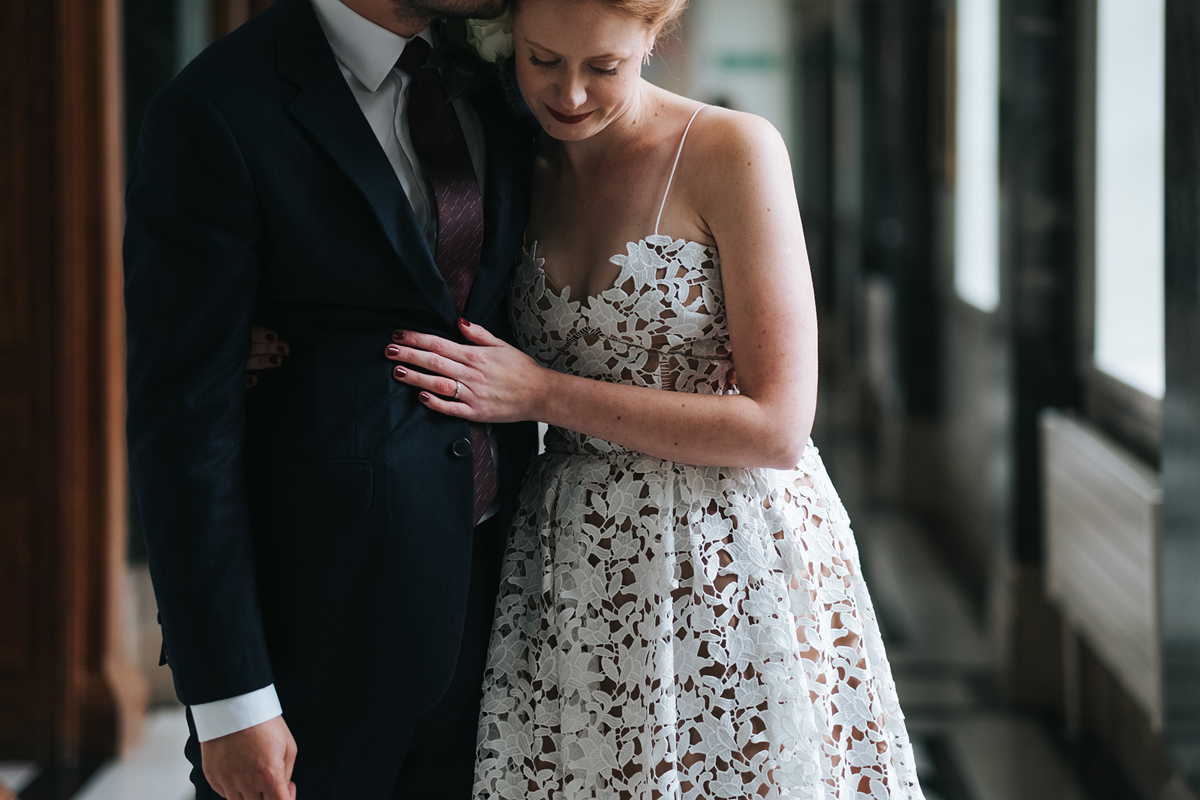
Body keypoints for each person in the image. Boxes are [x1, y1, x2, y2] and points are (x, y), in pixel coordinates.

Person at [381, 0, 927, 796]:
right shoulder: (506, 157)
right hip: (570, 559)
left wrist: (541, 393)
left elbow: (777, 426)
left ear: (654, 37)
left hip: (727, 553)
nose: (568, 95)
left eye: (602, 67)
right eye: (542, 62)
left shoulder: (733, 151)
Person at [122, 0, 539, 797]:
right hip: (321, 637)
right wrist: (229, 696)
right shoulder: (215, 110)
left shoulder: (510, 75)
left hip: (508, 619)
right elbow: (184, 429)